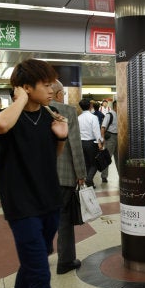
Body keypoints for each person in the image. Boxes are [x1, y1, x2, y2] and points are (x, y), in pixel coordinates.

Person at [0, 58, 68, 288]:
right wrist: (20, 100)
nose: (52, 90)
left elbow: (49, 158)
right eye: (45, 85)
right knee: (40, 273)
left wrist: (60, 138)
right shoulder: (4, 116)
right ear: (25, 87)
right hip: (21, 205)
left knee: (33, 261)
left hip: (49, 200)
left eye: (52, 84)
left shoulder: (50, 116)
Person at [51, 80, 87, 275]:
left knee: (43, 216)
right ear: (57, 94)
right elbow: (74, 145)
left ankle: (44, 251)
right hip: (63, 175)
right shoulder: (66, 111)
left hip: (39, 177)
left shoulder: (33, 110)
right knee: (64, 218)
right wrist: (81, 174)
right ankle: (65, 261)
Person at [78, 99, 103, 187]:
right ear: (90, 106)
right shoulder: (93, 117)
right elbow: (96, 131)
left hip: (81, 143)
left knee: (87, 163)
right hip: (91, 143)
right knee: (95, 163)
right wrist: (99, 142)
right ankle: (88, 179)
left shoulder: (78, 118)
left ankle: (90, 183)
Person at [99, 100, 118, 183]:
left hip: (119, 138)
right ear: (115, 106)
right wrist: (102, 139)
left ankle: (121, 176)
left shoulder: (121, 114)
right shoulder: (109, 115)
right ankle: (104, 176)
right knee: (107, 157)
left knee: (119, 158)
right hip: (111, 137)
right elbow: (103, 127)